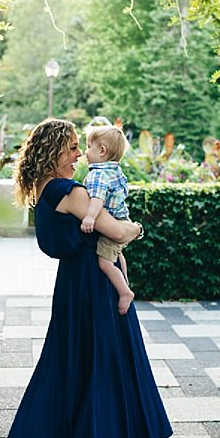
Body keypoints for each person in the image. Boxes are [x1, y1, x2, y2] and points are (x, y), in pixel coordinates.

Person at [0, 118, 172, 438]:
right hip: (92, 290)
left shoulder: (44, 190)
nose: (79, 154)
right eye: (73, 147)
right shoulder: (70, 191)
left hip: (74, 289)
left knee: (70, 374)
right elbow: (117, 230)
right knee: (97, 375)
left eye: (80, 146)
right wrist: (136, 228)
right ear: (55, 151)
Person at [81, 123, 135, 314]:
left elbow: (97, 198)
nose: (85, 152)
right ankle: (125, 282)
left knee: (105, 263)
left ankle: (125, 292)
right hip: (123, 219)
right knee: (118, 254)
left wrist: (89, 217)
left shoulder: (98, 174)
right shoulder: (115, 171)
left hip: (112, 224)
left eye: (88, 146)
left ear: (102, 150)